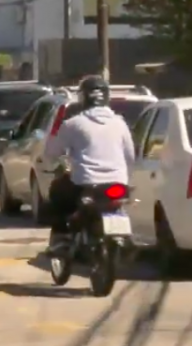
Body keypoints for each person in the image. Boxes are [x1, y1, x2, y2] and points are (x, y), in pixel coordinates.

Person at [41, 75, 136, 251]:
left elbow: (51, 154)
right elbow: (131, 157)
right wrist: (125, 177)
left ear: (82, 97)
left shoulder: (73, 124)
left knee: (57, 190)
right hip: (117, 183)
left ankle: (61, 238)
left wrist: (51, 163)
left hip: (85, 184)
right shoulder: (120, 123)